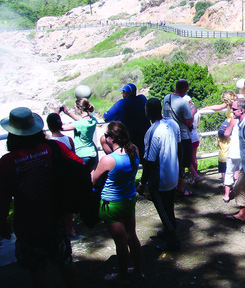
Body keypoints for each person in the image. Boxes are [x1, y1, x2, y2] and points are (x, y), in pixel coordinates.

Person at [0, 107, 81, 288]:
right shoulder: (54, 148)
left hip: (27, 225)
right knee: (65, 261)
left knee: (37, 269)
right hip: (56, 217)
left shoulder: (7, 162)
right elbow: (78, 165)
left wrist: (2, 221)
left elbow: (3, 197)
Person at [91, 122, 143, 284]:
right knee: (132, 236)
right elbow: (119, 156)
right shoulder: (134, 150)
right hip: (128, 199)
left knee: (120, 243)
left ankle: (122, 275)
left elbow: (93, 181)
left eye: (106, 136)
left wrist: (92, 171)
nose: (104, 138)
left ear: (112, 138)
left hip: (111, 204)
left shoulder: (107, 160)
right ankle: (138, 271)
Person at [141, 98, 182, 252]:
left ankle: (173, 240)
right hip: (173, 173)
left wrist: (143, 183)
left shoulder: (152, 132)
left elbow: (149, 161)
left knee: (163, 209)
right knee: (169, 205)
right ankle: (167, 230)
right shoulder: (172, 124)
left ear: (148, 111)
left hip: (161, 179)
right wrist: (181, 169)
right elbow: (180, 147)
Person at [200, 90, 238, 202]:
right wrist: (207, 108)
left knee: (225, 157)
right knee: (226, 156)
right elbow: (219, 106)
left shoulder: (236, 105)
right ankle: (228, 182)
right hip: (228, 131)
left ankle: (228, 183)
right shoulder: (230, 104)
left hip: (230, 132)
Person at [47, 113, 77, 237]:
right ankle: (70, 228)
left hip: (55, 176)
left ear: (49, 126)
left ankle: (58, 229)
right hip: (68, 174)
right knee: (69, 203)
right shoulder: (68, 140)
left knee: (57, 203)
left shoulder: (48, 143)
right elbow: (74, 157)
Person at [102, 83, 150, 160]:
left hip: (131, 139)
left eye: (123, 92)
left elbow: (106, 117)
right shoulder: (142, 99)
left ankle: (116, 160)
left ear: (125, 93)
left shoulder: (122, 103)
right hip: (145, 137)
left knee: (103, 139)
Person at [163, 79, 194, 197]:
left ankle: (171, 185)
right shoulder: (183, 103)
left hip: (170, 134)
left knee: (172, 161)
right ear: (183, 89)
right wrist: (193, 112)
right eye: (186, 89)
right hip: (182, 136)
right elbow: (189, 122)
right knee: (183, 162)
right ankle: (180, 187)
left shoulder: (166, 98)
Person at [60, 98, 98, 172]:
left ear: (79, 108)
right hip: (92, 153)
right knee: (91, 178)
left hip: (81, 154)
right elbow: (82, 119)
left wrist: (56, 114)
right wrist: (67, 113)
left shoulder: (78, 124)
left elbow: (61, 128)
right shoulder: (93, 120)